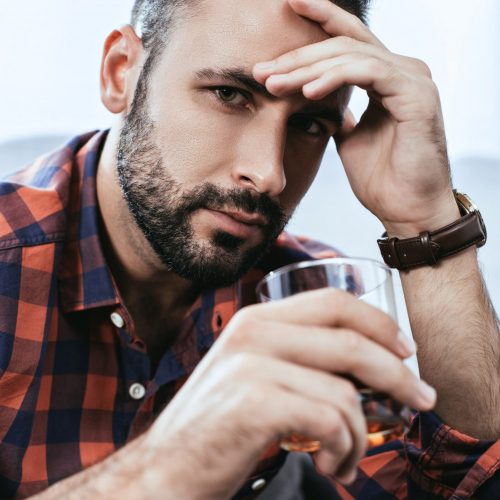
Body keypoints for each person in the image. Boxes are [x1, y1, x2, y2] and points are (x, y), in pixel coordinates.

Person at [0, 0, 498, 498]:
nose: (269, 174)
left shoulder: (306, 296)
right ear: (120, 73)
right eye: (229, 94)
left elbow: (459, 485)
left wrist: (425, 218)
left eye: (310, 125)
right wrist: (174, 462)